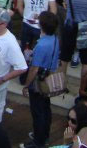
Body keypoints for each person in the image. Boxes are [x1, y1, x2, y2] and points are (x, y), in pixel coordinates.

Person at [22, 11, 60, 148]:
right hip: (49, 78)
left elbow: (34, 69)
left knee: (38, 112)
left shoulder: (42, 45)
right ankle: (45, 136)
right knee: (45, 109)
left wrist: (26, 85)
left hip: (39, 81)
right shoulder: (55, 39)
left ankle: (38, 141)